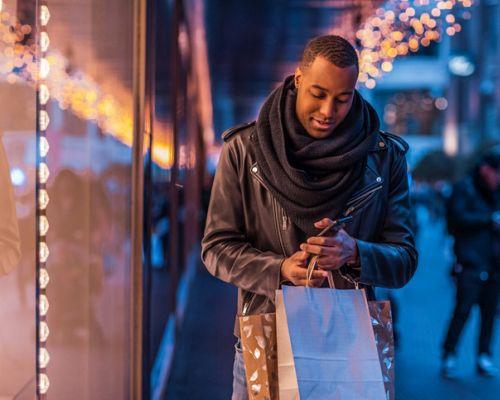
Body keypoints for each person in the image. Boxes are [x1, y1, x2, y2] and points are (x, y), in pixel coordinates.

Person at [201, 35, 418, 399]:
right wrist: (279, 270)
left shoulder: (383, 157)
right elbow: (216, 249)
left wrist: (356, 253)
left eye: (342, 98)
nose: (328, 110)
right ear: (298, 80)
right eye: (318, 93)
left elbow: (405, 259)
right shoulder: (243, 149)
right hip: (267, 333)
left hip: (350, 342)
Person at [442, 147, 500, 378]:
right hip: (470, 261)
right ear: (486, 169)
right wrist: (489, 220)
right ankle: (449, 354)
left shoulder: (496, 192)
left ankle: (483, 356)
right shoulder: (464, 188)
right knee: (462, 310)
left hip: (495, 262)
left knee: (489, 313)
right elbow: (455, 220)